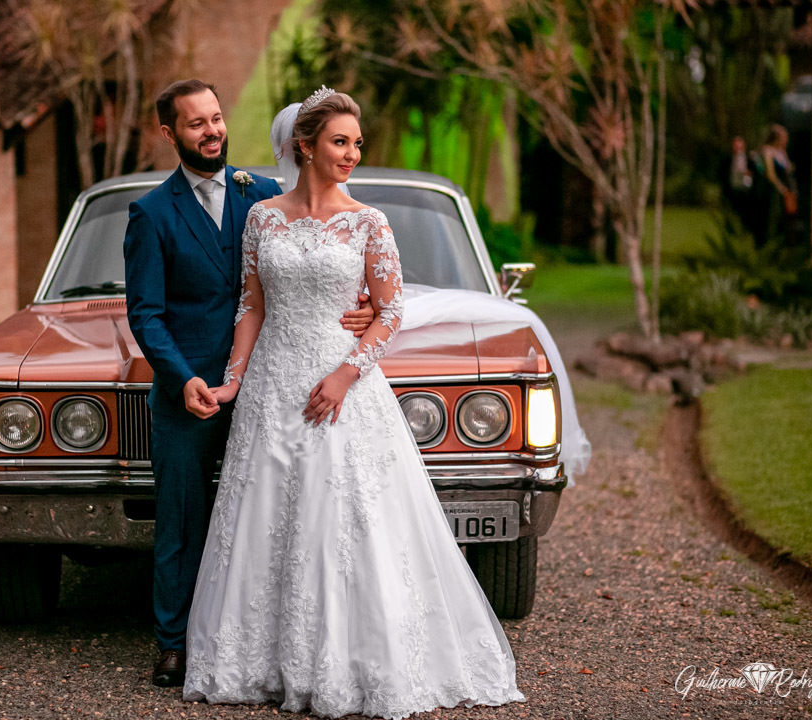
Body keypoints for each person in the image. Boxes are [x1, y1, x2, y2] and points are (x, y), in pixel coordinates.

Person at [182, 88, 525, 718]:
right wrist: (232, 382)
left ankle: (352, 660)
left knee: (343, 518)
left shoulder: (369, 221)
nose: (351, 153)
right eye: (340, 141)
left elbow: (390, 310)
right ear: (305, 146)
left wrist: (345, 374)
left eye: (357, 143)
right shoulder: (263, 218)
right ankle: (264, 662)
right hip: (272, 388)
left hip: (342, 385)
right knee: (266, 519)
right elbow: (252, 306)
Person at [122, 79, 374, 688]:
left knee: (279, 511)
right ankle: (176, 643)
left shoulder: (264, 197)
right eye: (195, 124)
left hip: (275, 385)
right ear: (169, 134)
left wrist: (361, 303)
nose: (212, 131)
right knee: (182, 516)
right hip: (191, 390)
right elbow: (145, 314)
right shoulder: (150, 214)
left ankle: (280, 642)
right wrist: (183, 378)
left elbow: (322, 260)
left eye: (216, 118)